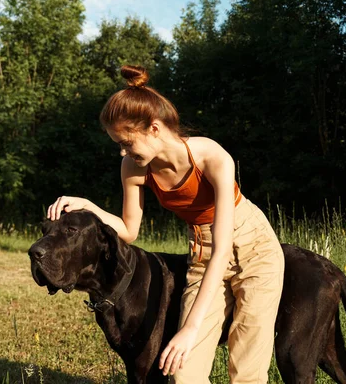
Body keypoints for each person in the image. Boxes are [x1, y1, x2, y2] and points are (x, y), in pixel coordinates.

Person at [47, 65, 284, 383]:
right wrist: (90, 207)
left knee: (246, 371)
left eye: (126, 142)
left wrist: (189, 327)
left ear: (154, 128)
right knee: (183, 372)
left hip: (255, 251)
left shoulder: (213, 158)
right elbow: (129, 231)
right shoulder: (133, 167)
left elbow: (223, 248)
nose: (122, 151)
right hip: (201, 253)